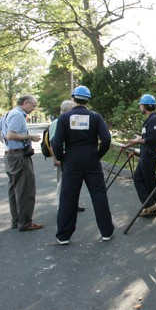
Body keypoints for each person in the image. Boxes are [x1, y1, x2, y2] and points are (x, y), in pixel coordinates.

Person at [52, 86, 114, 245]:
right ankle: (106, 232)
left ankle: (63, 236)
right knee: (99, 195)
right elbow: (106, 139)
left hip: (72, 160)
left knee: (68, 198)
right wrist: (98, 154)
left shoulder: (64, 117)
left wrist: (62, 158)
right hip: (92, 159)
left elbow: (56, 142)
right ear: (88, 99)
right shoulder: (95, 116)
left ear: (73, 98)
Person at [0, 95, 43, 231]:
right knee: (25, 189)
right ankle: (25, 222)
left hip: (11, 155)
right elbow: (10, 134)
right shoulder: (18, 115)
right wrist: (30, 136)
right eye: (33, 105)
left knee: (14, 189)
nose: (34, 109)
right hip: (18, 156)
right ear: (25, 103)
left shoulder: (9, 113)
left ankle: (17, 220)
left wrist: (6, 145)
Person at [122, 94, 156, 217]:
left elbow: (153, 139)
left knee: (147, 181)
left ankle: (151, 205)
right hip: (146, 154)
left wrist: (137, 141)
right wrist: (133, 142)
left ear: (146, 106)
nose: (140, 106)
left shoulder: (154, 119)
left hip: (150, 155)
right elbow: (147, 137)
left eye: (141, 104)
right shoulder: (149, 120)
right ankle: (151, 205)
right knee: (140, 178)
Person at [49, 100, 85, 212]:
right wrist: (56, 158)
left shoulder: (70, 120)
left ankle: (74, 204)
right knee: (62, 183)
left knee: (73, 182)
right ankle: (61, 206)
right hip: (62, 155)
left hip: (70, 155)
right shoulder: (57, 122)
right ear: (65, 111)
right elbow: (53, 142)